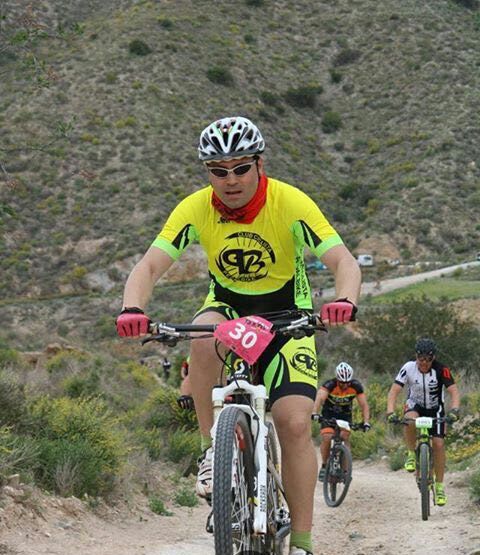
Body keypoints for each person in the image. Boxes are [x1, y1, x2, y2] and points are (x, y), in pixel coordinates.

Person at [115, 116, 361, 555]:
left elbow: (344, 261)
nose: (230, 180)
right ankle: (213, 450)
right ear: (207, 172)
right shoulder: (195, 208)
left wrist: (344, 300)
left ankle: (302, 541)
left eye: (240, 168)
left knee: (293, 424)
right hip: (228, 308)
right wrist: (133, 308)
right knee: (203, 331)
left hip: (288, 316)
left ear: (259, 164)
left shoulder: (290, 202)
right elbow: (149, 265)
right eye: (218, 170)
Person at [386, 338, 461, 506]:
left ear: (433, 358)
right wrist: (390, 411)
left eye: (428, 359)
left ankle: (440, 486)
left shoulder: (442, 369)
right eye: (421, 359)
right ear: (416, 356)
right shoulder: (408, 368)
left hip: (436, 408)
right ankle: (412, 454)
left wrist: (455, 410)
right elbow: (394, 391)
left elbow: (454, 392)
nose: (424, 363)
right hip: (416, 405)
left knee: (439, 444)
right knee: (410, 420)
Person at [313, 361, 370, 481]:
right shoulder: (330, 385)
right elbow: (319, 399)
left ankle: (345, 471)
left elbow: (364, 405)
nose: (344, 385)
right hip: (329, 414)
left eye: (347, 383)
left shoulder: (356, 386)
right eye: (342, 382)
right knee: (327, 437)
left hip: (345, 415)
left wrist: (366, 422)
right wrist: (315, 413)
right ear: (337, 379)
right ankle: (324, 465)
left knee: (345, 437)